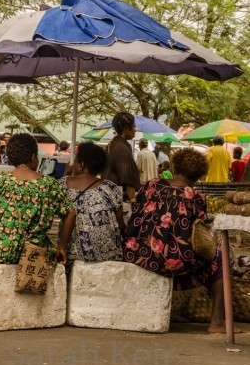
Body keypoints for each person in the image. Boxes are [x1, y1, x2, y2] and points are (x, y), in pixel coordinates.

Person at [124, 148, 226, 333]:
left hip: (135, 251)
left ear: (175, 166)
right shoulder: (195, 197)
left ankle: (169, 309)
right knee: (219, 260)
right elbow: (198, 229)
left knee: (172, 247)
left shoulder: (151, 185)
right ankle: (217, 322)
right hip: (171, 260)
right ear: (199, 175)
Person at [0, 133, 74, 264]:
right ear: (33, 157)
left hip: (0, 252)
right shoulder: (48, 184)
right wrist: (61, 247)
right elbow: (71, 213)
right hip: (33, 254)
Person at [56, 142, 124, 266]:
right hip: (109, 257)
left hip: (73, 257)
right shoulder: (110, 188)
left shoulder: (63, 185)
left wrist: (66, 173)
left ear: (81, 165)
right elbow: (120, 222)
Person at [104, 112, 141, 204]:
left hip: (108, 193)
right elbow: (126, 179)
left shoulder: (113, 143)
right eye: (134, 127)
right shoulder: (121, 148)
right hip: (117, 196)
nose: (135, 130)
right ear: (126, 129)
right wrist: (133, 201)